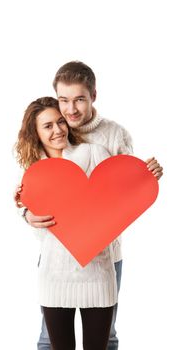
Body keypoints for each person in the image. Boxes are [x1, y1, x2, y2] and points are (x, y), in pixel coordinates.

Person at [15, 61, 163, 350]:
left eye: (79, 100)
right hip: (56, 259)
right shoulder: (42, 160)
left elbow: (126, 190)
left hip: (104, 252)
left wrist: (147, 176)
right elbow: (32, 200)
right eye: (64, 102)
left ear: (93, 95)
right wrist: (24, 210)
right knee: (48, 338)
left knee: (105, 335)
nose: (69, 113)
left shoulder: (108, 138)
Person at [15, 96, 121, 350]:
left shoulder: (92, 152)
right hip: (54, 274)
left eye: (60, 122)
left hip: (97, 271)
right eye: (48, 126)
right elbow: (32, 215)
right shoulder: (34, 171)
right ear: (36, 133)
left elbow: (120, 193)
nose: (58, 130)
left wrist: (146, 174)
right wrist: (26, 213)